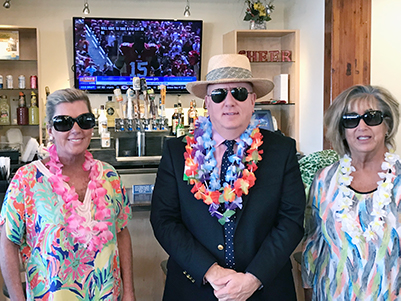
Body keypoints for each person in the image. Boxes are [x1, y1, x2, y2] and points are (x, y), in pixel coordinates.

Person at [150, 54, 305, 300]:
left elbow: (291, 221)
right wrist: (210, 271)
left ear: (253, 100)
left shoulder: (282, 150)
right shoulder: (176, 152)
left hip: (265, 288)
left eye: (240, 93)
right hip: (195, 287)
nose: (229, 102)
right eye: (219, 94)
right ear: (207, 103)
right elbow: (164, 220)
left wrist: (253, 278)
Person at [0, 88, 136, 300]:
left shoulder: (109, 176)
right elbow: (8, 243)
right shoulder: (26, 180)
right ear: (50, 130)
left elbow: (121, 233)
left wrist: (129, 292)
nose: (76, 129)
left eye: (84, 120)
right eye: (64, 122)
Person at [302, 85, 401, 300]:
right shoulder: (323, 181)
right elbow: (313, 245)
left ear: (387, 125)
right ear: (342, 129)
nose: (361, 126)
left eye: (372, 117)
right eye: (351, 119)